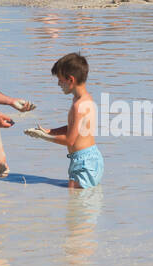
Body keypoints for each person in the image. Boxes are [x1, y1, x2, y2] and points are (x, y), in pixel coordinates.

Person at [24, 52, 103, 189]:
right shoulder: (84, 99)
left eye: (60, 80)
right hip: (88, 159)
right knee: (81, 204)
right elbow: (74, 127)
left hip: (84, 162)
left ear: (70, 80)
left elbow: (69, 140)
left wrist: (44, 136)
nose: (59, 84)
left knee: (77, 205)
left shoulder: (78, 106)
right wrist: (50, 131)